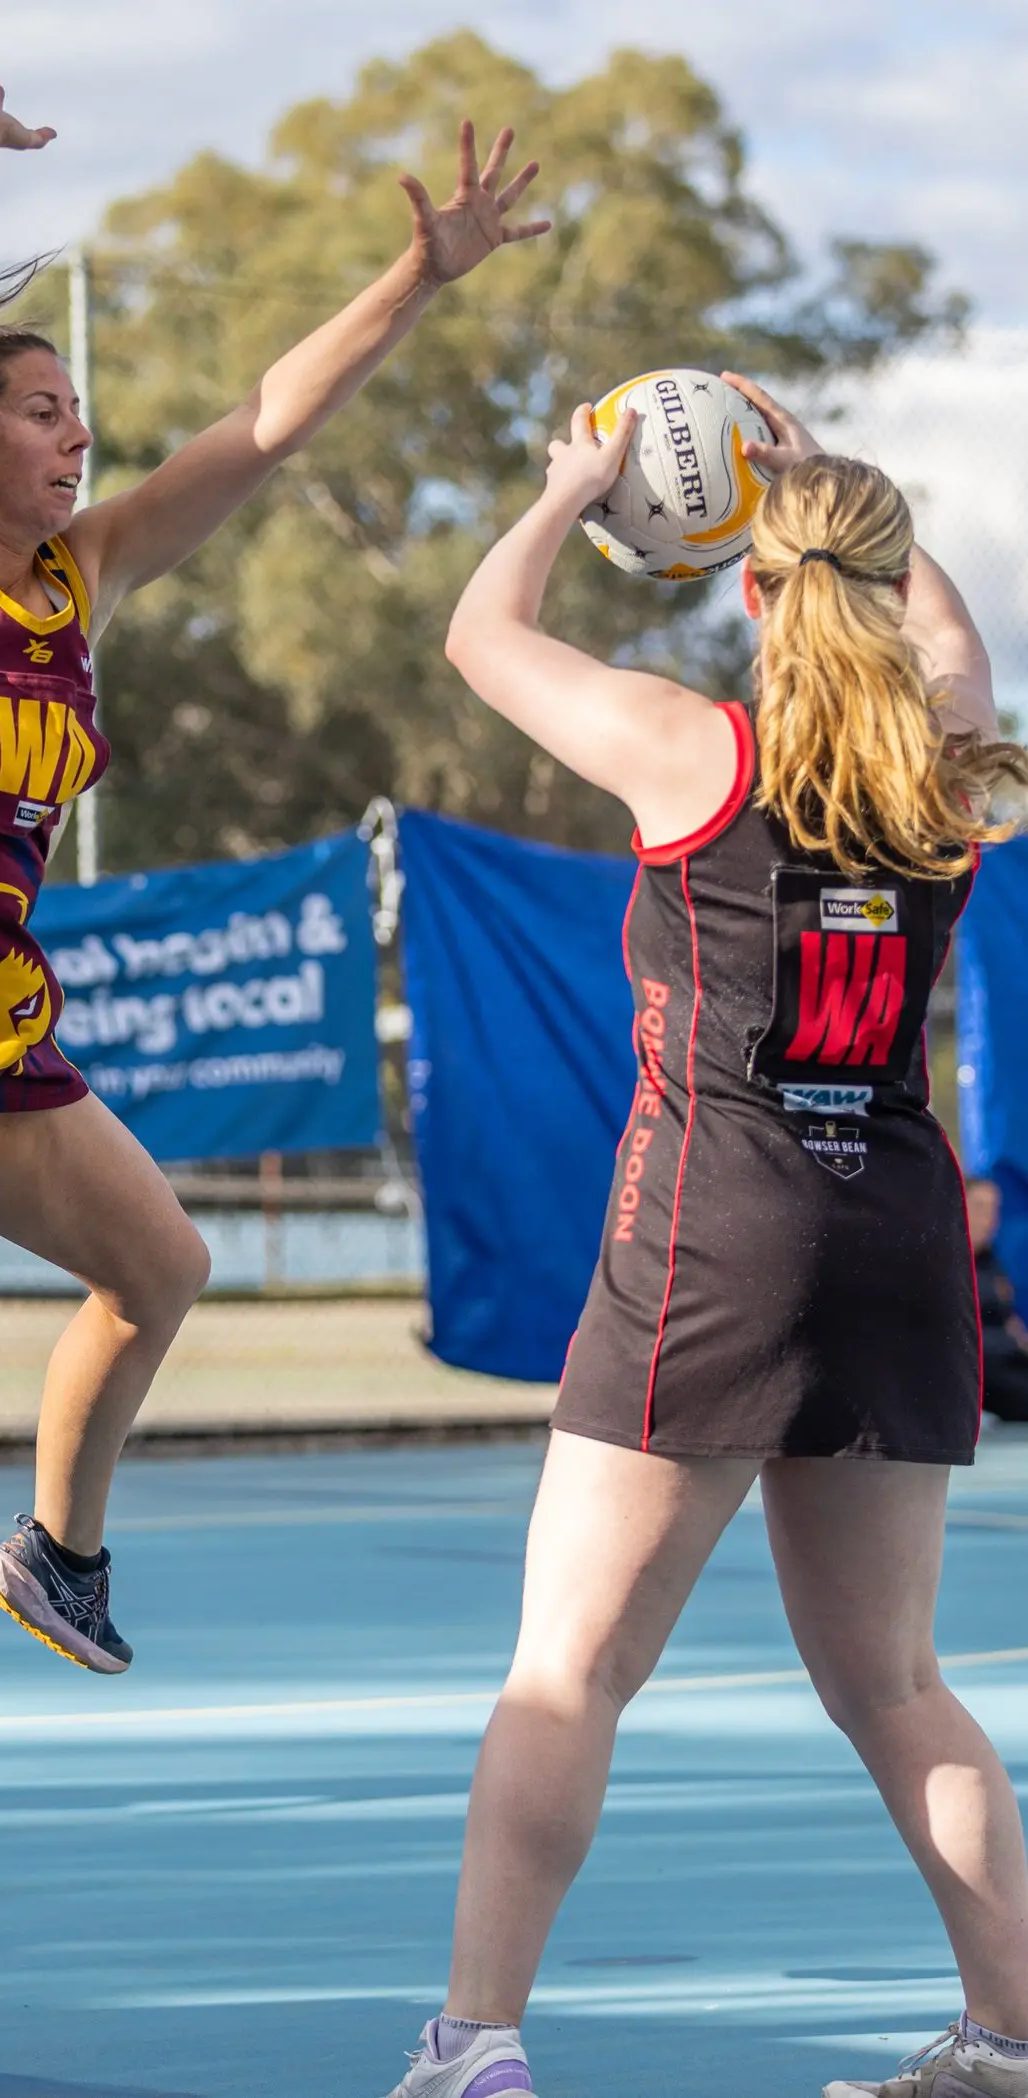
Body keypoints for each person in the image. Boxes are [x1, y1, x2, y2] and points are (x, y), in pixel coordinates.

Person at [0, 45, 551, 2002]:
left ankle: (58, 1550)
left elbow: (264, 427)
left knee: (165, 1263)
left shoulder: (84, 577)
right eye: (46, 412)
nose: (79, 437)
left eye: (79, 413)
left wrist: (419, 278)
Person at [378, 381, 1028, 2098]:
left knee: (570, 1668)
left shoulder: (696, 751)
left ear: (749, 582)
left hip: (717, 1235)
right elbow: (953, 643)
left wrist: (574, 485)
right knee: (899, 1683)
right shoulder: (946, 765)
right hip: (896, 1236)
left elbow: (482, 634)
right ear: (882, 579)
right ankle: (1011, 2035)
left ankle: (475, 2042)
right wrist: (826, 486)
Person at [967, 1176, 1028, 1424]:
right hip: (979, 1368)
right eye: (980, 1207)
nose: (990, 1219)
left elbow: (1008, 1318)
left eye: (995, 1209)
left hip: (1007, 1358)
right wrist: (1012, 1343)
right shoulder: (947, 1266)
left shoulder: (991, 1261)